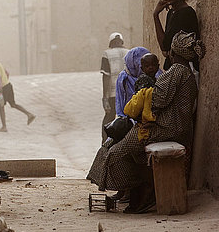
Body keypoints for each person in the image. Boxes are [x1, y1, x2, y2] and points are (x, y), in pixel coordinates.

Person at [87, 31, 205, 214]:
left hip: (164, 128)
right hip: (174, 126)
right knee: (131, 151)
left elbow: (158, 99)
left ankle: (145, 191)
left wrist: (142, 98)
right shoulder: (187, 73)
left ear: (173, 52)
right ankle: (140, 190)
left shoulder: (176, 72)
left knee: (116, 152)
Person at [153, 0, 199, 71]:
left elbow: (168, 49)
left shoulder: (186, 13)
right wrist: (155, 15)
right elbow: (165, 48)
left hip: (184, 71)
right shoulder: (172, 13)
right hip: (173, 69)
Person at [0, 53, 36, 132]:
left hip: (2, 89)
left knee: (1, 106)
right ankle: (29, 114)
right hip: (8, 85)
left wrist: (0, 90)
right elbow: (7, 73)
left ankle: (4, 127)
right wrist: (5, 81)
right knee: (13, 104)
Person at [115, 46, 160, 119]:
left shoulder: (158, 76)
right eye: (147, 66)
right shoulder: (124, 77)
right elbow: (120, 101)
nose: (150, 68)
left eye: (153, 65)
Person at [100, 32, 129, 142]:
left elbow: (106, 77)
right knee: (127, 118)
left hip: (113, 93)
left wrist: (105, 97)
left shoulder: (106, 54)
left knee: (109, 117)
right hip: (127, 92)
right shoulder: (129, 52)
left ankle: (105, 141)